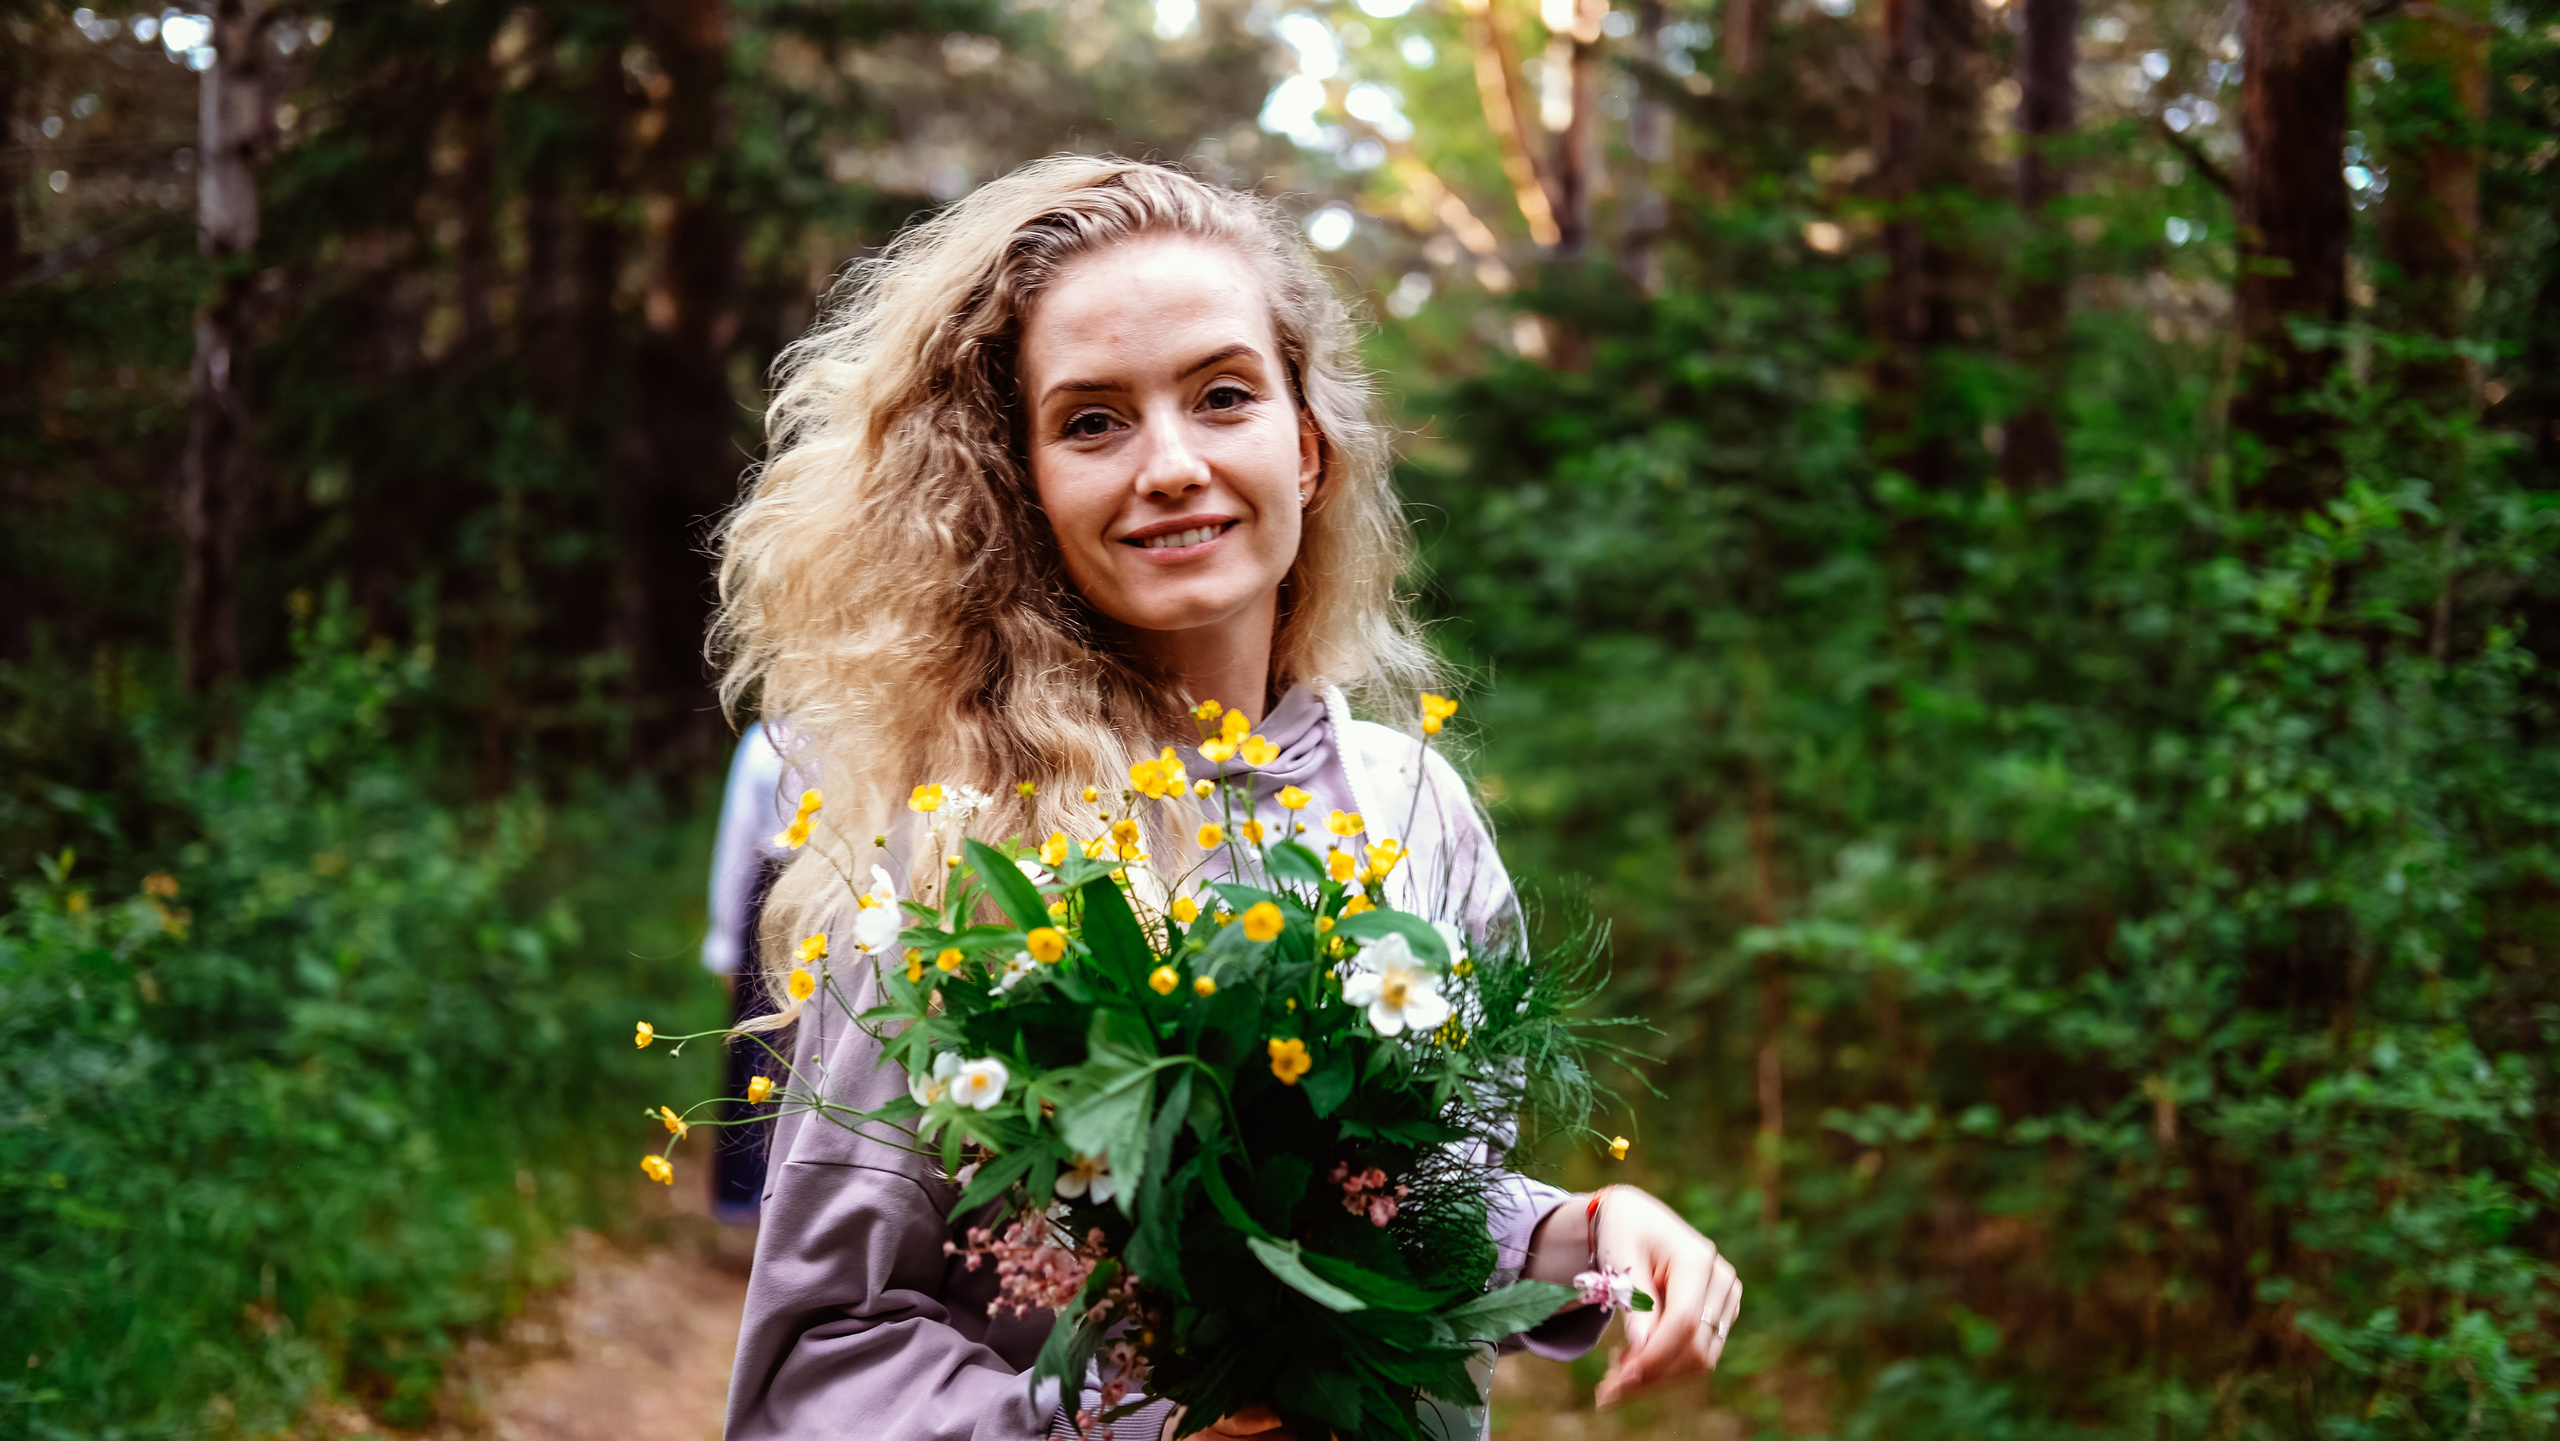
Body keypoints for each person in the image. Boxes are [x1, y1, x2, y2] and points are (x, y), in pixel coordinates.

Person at [711, 158, 1742, 1441]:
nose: (1171, 465)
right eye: (1092, 421)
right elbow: (817, 1358)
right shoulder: (951, 854)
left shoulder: (1412, 808)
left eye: (1222, 396)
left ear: (1305, 448)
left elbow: (1396, 1208)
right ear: (1017, 484)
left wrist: (1576, 1236)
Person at [701, 719, 802, 1227]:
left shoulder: (868, 735)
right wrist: (725, 942)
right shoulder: (765, 743)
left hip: (838, 890)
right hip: (770, 898)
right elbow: (738, 841)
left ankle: (793, 1203)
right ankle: (743, 1195)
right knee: (755, 1047)